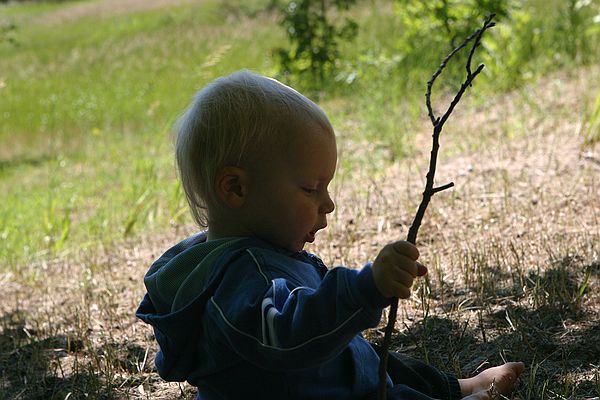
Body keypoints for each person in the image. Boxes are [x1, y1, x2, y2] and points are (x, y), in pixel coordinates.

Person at [136, 70, 524, 399]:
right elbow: (289, 334)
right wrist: (363, 288)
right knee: (361, 371)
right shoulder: (238, 279)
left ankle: (454, 387)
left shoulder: (243, 255)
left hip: (322, 379)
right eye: (310, 189)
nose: (328, 204)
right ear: (236, 189)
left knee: (365, 357)